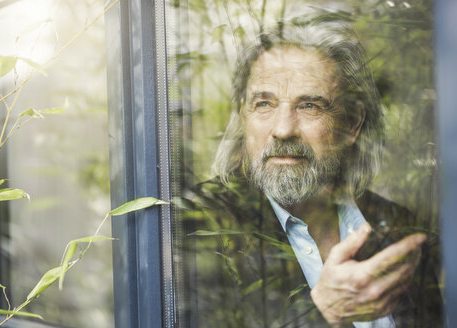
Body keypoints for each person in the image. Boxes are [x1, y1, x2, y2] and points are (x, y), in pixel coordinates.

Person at [184, 20, 442, 328]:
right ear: (244, 116)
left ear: (352, 124)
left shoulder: (398, 229)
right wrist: (323, 312)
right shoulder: (198, 226)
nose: (282, 130)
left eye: (309, 106)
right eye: (264, 104)